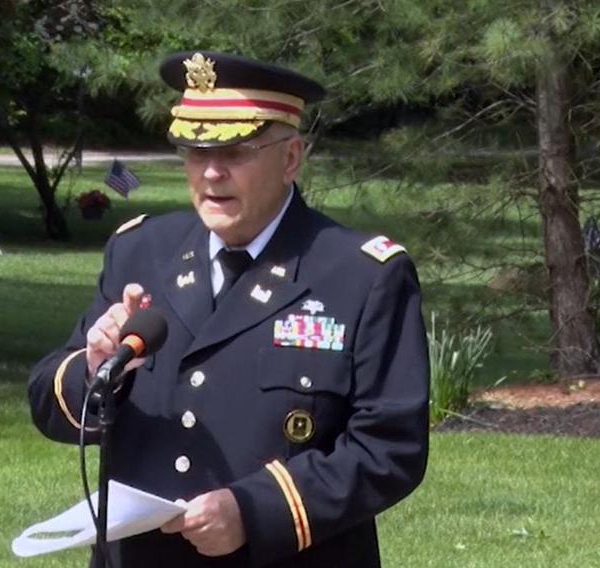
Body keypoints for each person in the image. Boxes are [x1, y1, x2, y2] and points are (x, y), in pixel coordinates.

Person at [28, 51, 429, 568]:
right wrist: (94, 368)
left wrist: (254, 511)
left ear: (291, 158)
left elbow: (389, 448)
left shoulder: (360, 273)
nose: (212, 173)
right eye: (196, 152)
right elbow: (48, 402)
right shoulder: (142, 251)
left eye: (236, 152)